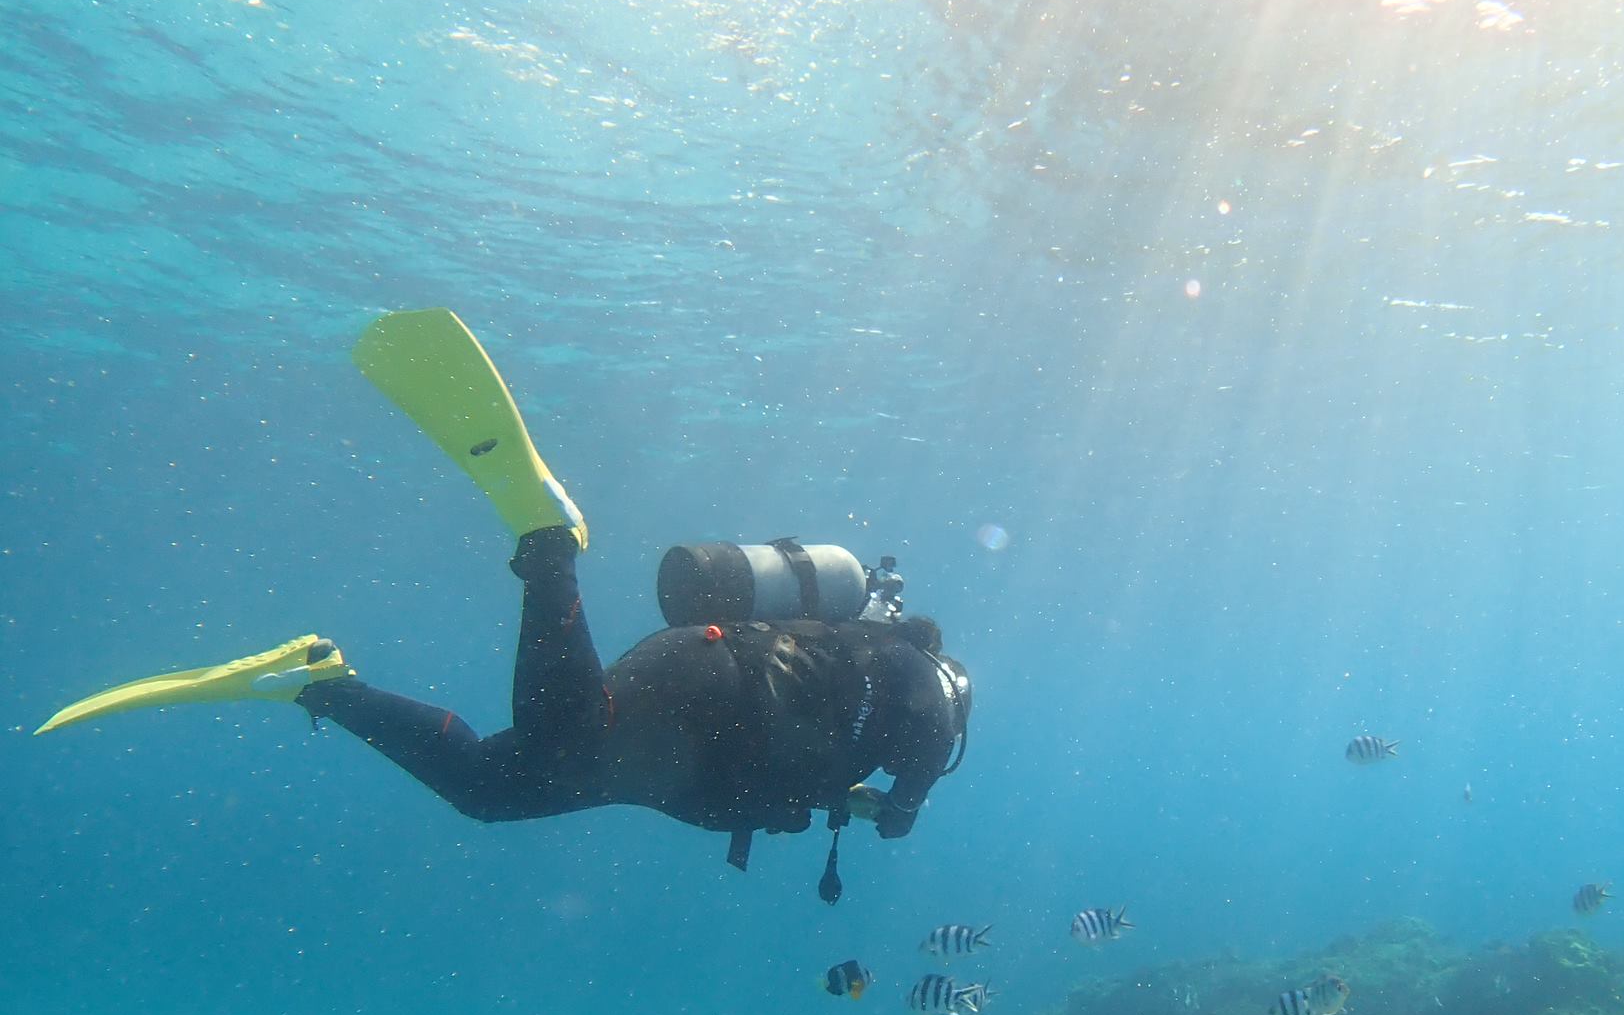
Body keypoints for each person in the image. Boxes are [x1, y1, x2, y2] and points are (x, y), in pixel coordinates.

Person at [37, 311, 969, 900]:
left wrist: (851, 792)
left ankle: (320, 683)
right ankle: (548, 545)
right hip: (709, 694)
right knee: (565, 734)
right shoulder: (923, 697)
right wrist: (899, 802)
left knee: (488, 787)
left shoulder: (869, 702)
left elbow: (831, 769)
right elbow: (912, 784)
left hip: (686, 746)